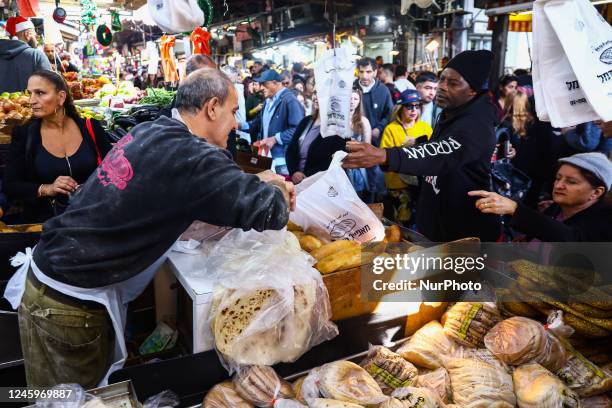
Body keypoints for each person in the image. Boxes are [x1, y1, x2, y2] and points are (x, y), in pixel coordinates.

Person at [5, 68, 295, 389]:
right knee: (72, 400)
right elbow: (271, 210)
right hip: (66, 305)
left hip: (54, 279)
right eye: (234, 111)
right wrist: (275, 185)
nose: (237, 122)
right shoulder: (190, 155)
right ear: (212, 107)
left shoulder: (154, 131)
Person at [343, 50, 501, 242]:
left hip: (464, 234)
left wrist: (386, 155)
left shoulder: (477, 124)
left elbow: (441, 153)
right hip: (437, 226)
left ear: (473, 90)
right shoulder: (451, 113)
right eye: (442, 79)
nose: (441, 87)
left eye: (453, 83)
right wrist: (421, 143)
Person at [3, 70, 112, 224]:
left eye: (40, 93)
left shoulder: (91, 127)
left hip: (95, 220)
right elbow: (10, 186)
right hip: (48, 225)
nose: (32, 100)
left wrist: (91, 186)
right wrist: (48, 188)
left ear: (61, 97)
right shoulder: (24, 134)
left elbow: (115, 173)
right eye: (30, 93)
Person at [470, 153, 611, 241]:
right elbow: (546, 230)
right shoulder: (557, 208)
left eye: (571, 182)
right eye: (558, 178)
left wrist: (515, 208)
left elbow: (572, 239)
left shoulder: (604, 220)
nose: (559, 185)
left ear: (596, 192)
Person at [380, 89, 433, 226]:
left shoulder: (425, 127)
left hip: (421, 183)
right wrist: (404, 146)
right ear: (400, 108)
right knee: (403, 221)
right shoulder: (391, 129)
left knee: (423, 220)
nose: (413, 110)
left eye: (417, 106)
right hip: (398, 184)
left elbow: (433, 153)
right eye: (409, 106)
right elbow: (383, 156)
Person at [245, 69, 305, 175]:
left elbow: (298, 129)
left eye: (264, 84)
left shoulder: (289, 100)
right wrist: (240, 125)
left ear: (275, 83)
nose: (261, 88)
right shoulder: (268, 101)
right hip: (268, 159)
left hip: (282, 162)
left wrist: (275, 139)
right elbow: (257, 123)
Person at [286, 93, 347, 183]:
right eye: (315, 92)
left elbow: (336, 161)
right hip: (297, 183)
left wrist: (307, 178)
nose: (316, 97)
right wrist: (294, 172)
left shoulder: (340, 127)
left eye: (322, 93)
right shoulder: (306, 121)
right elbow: (290, 151)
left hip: (321, 185)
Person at [0, 16, 51, 93]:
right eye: (34, 33)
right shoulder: (36, 56)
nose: (37, 37)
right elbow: (48, 86)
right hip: (29, 104)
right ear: (27, 34)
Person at [354, 57, 394, 146]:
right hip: (352, 138)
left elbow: (390, 113)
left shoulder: (383, 90)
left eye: (368, 72)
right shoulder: (351, 88)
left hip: (376, 140)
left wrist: (379, 128)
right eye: (361, 72)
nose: (364, 76)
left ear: (375, 72)